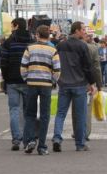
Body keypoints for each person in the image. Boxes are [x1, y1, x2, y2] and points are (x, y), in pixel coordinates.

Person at [51, 22, 96, 152]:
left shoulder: (60, 45)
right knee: (80, 115)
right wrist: (91, 83)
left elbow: (56, 63)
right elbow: (87, 67)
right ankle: (80, 144)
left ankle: (57, 138)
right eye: (82, 30)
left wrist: (57, 79)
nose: (84, 32)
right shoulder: (82, 46)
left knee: (60, 113)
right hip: (79, 84)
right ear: (76, 31)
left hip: (64, 83)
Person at [20, 25, 60, 155]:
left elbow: (23, 67)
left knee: (30, 113)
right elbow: (57, 70)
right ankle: (42, 146)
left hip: (32, 83)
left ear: (37, 35)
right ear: (48, 36)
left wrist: (27, 78)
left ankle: (31, 139)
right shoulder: (52, 50)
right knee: (44, 115)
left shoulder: (30, 48)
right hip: (46, 85)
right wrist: (52, 81)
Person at [0, 18, 32, 151]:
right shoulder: (31, 41)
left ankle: (16, 139)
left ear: (16, 26)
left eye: (12, 26)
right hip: (28, 80)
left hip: (12, 80)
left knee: (14, 109)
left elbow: (4, 63)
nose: (11, 28)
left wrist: (6, 80)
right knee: (27, 110)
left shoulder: (8, 42)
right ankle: (26, 138)